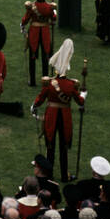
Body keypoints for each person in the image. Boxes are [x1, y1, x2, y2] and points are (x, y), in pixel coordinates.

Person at [32, 39, 86, 182]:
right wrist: (83, 95)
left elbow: (40, 99)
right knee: (63, 147)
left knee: (50, 146)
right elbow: (80, 102)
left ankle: (48, 174)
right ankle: (64, 175)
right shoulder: (70, 85)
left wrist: (35, 106)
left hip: (51, 115)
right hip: (65, 116)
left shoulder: (50, 84)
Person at [19, 0, 57, 87]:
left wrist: (23, 25)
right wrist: (54, 11)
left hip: (34, 32)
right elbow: (53, 19)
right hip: (45, 32)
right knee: (46, 57)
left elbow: (25, 19)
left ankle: (33, 81)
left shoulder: (32, 7)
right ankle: (45, 79)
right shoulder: (49, 7)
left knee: (32, 57)